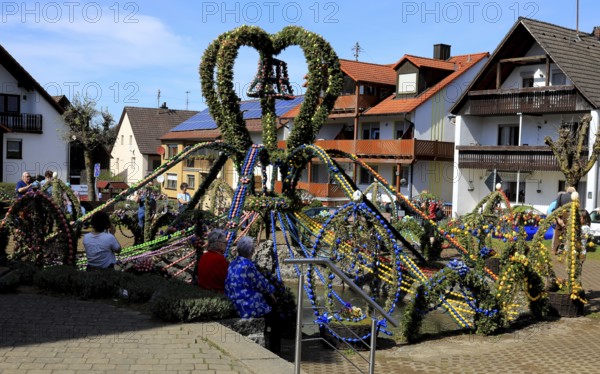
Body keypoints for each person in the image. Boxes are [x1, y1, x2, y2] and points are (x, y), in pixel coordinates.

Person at [225, 236, 280, 353]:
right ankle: (275, 349)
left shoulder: (233, 264)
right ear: (251, 251)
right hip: (246, 306)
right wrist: (273, 291)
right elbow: (262, 284)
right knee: (275, 316)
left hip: (233, 301)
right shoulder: (248, 266)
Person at [552, 187, 576, 255]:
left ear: (567, 191)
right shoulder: (575, 197)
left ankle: (555, 250)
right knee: (569, 234)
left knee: (558, 233)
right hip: (571, 216)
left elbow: (557, 208)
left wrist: (558, 218)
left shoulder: (561, 196)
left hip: (561, 215)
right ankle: (567, 250)